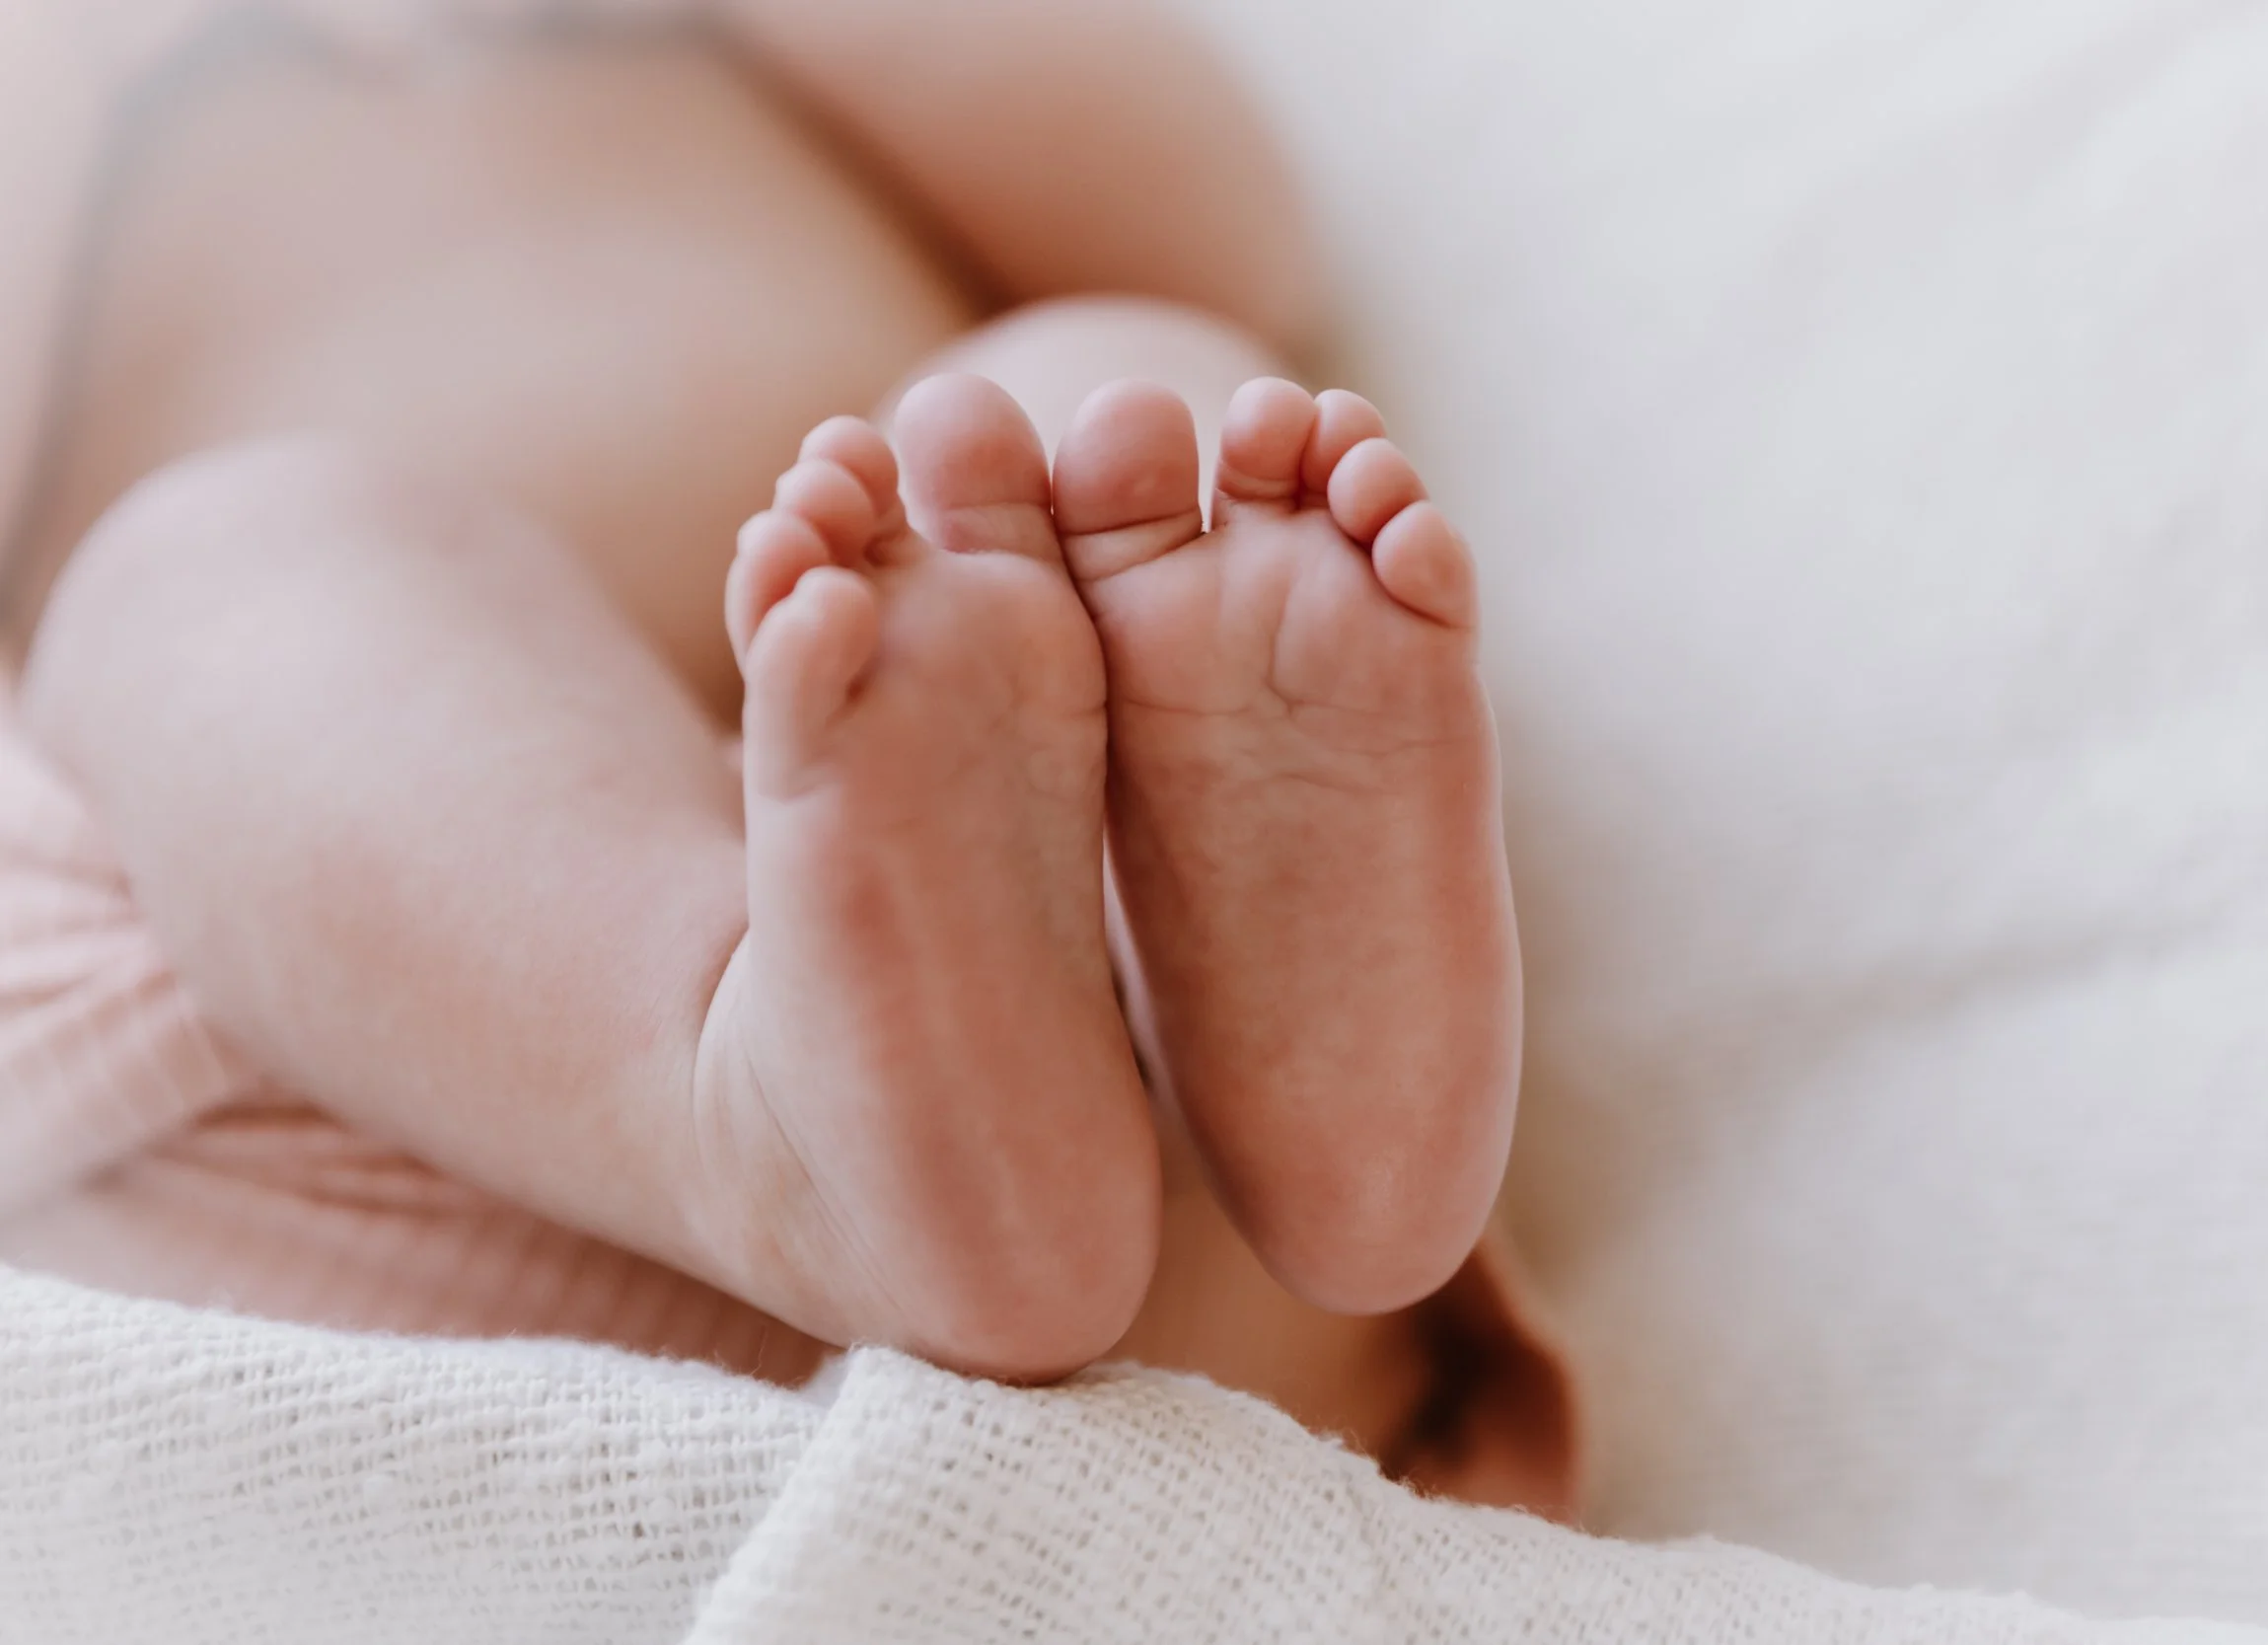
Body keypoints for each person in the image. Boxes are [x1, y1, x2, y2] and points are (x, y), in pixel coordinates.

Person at [0, 0, 1573, 1514]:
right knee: (212, 572)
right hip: (386, 1040)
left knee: (1127, 393)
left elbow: (1216, 223)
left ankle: (1274, 1085)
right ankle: (747, 1106)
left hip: (1080, 1072)